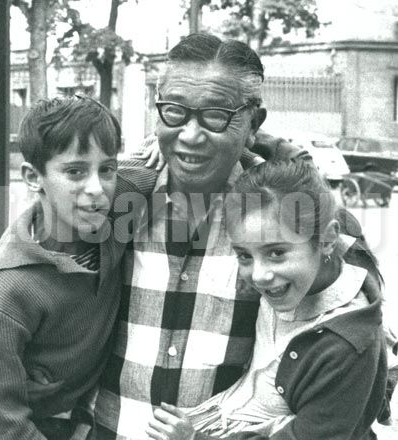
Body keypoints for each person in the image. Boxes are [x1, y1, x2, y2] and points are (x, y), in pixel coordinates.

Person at [88, 33, 386, 439]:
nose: (190, 136)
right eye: (174, 111)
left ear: (253, 124)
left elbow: (351, 335)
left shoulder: (290, 212)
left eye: (215, 115)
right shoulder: (115, 195)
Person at [145, 160, 387, 440]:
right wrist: (166, 144)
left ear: (327, 240)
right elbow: (265, 158)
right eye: (244, 255)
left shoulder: (347, 346)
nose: (259, 276)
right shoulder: (302, 275)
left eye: (276, 253)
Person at [0, 95, 154, 440]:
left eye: (107, 169)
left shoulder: (115, 210)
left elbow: (177, 148)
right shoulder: (3, 294)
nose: (96, 188)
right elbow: (1, 419)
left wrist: (259, 149)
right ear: (33, 177)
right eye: (75, 171)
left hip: (82, 416)